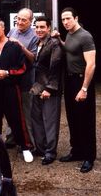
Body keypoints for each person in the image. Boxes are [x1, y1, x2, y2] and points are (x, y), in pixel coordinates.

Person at [0, 16, 33, 163]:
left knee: (16, 119)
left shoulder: (14, 46)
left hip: (11, 89)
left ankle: (25, 147)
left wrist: (7, 73)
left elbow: (23, 68)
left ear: (3, 28)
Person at [55, 7, 96, 173]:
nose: (65, 22)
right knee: (72, 118)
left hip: (82, 81)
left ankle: (89, 156)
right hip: (70, 80)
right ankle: (77, 151)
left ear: (76, 18)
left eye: (68, 19)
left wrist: (84, 88)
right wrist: (59, 40)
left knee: (85, 120)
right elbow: (70, 50)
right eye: (63, 19)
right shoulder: (69, 34)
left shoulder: (85, 36)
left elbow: (91, 64)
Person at [30, 16, 64, 165]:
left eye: (42, 27)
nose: (39, 30)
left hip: (50, 88)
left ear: (49, 28)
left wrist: (49, 88)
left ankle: (50, 152)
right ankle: (40, 148)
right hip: (37, 86)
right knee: (36, 119)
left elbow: (56, 67)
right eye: (36, 27)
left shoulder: (54, 43)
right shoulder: (37, 43)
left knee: (50, 121)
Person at [5, 8, 38, 149]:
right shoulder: (12, 31)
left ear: (31, 21)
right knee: (10, 107)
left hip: (26, 78)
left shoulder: (35, 35)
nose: (19, 22)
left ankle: (29, 141)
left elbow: (33, 59)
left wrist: (20, 46)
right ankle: (11, 138)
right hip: (11, 77)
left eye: (24, 20)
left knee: (26, 110)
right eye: (18, 18)